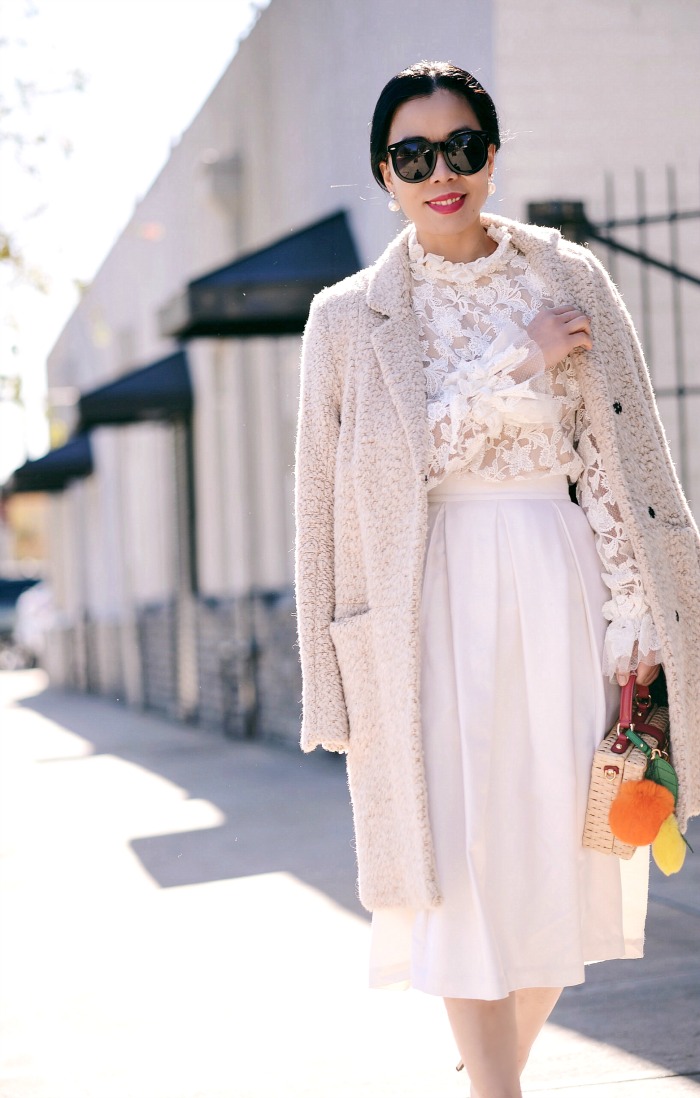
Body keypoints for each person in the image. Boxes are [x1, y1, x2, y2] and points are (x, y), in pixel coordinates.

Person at [294, 61, 700, 1098]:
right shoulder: (346, 320)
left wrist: (636, 622)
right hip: (428, 606)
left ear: (492, 152)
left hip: (558, 584)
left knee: (571, 851)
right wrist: (512, 370)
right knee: (459, 863)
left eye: (464, 147)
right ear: (383, 173)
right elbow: (334, 503)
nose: (444, 172)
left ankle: (489, 1080)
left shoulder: (567, 280)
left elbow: (623, 461)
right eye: (415, 156)